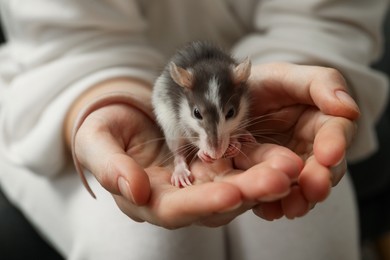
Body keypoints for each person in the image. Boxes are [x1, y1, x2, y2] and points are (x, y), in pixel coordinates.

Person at [0, 0, 388, 259]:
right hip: (66, 73)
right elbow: (71, 35)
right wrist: (108, 101)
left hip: (255, 64)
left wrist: (295, 85)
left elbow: (327, 15)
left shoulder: (239, 88)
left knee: (309, 224)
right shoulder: (177, 96)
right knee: (149, 244)